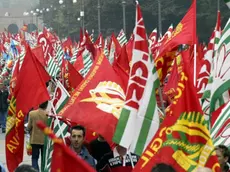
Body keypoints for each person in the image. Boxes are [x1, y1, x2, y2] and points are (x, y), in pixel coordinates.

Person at [27, 101, 48, 171]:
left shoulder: (32, 113)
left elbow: (29, 127)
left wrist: (28, 129)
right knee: (44, 158)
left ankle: (35, 170)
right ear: (47, 105)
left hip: (34, 139)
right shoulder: (48, 114)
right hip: (45, 140)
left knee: (34, 158)